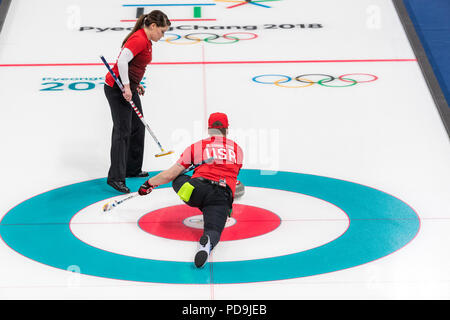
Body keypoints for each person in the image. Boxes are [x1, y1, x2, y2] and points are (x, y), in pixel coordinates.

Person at [137, 112, 244, 268]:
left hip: (196, 190)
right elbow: (233, 178)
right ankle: (205, 245)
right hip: (221, 195)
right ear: (227, 129)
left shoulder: (197, 147)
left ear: (209, 129)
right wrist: (228, 206)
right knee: (214, 230)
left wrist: (148, 185)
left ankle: (198, 200)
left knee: (178, 178)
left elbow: (170, 174)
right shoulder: (238, 150)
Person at [104, 10, 171, 193]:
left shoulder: (147, 40)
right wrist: (126, 86)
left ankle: (131, 168)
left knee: (137, 127)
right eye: (162, 31)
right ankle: (115, 178)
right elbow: (123, 61)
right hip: (117, 89)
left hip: (128, 87)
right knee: (122, 132)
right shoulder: (139, 39)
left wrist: (135, 84)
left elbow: (134, 64)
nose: (162, 35)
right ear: (153, 26)